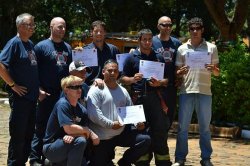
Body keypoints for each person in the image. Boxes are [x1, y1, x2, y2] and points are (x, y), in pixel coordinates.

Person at [172, 17, 219, 166]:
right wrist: (180, 72)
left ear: (202, 30)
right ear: (189, 30)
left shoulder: (212, 47)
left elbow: (217, 72)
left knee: (205, 128)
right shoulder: (181, 48)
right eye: (191, 29)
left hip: (205, 92)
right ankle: (180, 159)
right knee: (182, 128)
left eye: (197, 28)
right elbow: (176, 73)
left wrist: (214, 69)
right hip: (186, 91)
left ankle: (206, 159)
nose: (194, 31)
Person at [121, 29, 172, 166]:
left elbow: (167, 80)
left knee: (159, 131)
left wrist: (159, 83)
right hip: (138, 100)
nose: (148, 42)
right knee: (141, 130)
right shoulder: (132, 58)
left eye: (150, 39)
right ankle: (142, 162)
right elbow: (122, 78)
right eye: (145, 39)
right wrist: (132, 79)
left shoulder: (159, 57)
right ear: (139, 40)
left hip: (155, 98)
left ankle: (163, 162)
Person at [87, 59, 151, 166]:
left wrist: (137, 123)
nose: (112, 73)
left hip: (120, 133)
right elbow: (94, 115)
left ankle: (125, 162)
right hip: (102, 138)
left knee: (145, 140)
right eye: (109, 70)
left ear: (118, 73)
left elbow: (130, 110)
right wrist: (111, 124)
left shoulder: (123, 90)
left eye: (115, 71)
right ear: (103, 72)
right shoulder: (96, 89)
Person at [29, 17, 72, 166]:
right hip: (46, 94)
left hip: (63, 94)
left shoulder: (68, 47)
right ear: (51, 27)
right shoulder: (40, 47)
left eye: (64, 27)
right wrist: (38, 90)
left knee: (60, 127)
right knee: (41, 127)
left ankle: (54, 159)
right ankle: (35, 159)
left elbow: (71, 71)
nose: (63, 30)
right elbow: (33, 71)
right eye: (60, 27)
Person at [0, 13, 39, 166]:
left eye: (33, 24)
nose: (33, 27)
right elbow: (1, 65)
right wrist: (12, 85)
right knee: (18, 136)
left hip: (32, 98)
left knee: (29, 135)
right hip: (20, 99)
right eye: (30, 24)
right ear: (20, 26)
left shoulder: (29, 43)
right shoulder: (14, 43)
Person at [43, 75, 99, 166]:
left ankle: (53, 164)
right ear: (66, 90)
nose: (79, 90)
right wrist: (88, 131)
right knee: (80, 141)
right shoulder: (62, 104)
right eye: (75, 87)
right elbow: (68, 129)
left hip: (69, 144)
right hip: (52, 147)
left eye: (80, 86)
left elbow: (85, 135)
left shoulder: (82, 109)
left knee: (83, 153)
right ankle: (53, 161)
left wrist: (75, 135)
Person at [152, 16, 182, 126]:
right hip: (154, 87)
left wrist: (180, 78)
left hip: (170, 87)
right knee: (155, 117)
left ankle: (163, 142)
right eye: (164, 25)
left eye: (170, 25)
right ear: (158, 26)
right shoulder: (151, 41)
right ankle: (156, 143)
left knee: (169, 116)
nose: (167, 27)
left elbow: (180, 64)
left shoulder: (177, 43)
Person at [83, 20, 120, 86]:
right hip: (90, 87)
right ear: (91, 33)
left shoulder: (114, 49)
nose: (99, 34)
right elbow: (79, 72)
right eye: (96, 31)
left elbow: (120, 70)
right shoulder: (84, 51)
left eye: (101, 31)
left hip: (110, 87)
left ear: (105, 33)